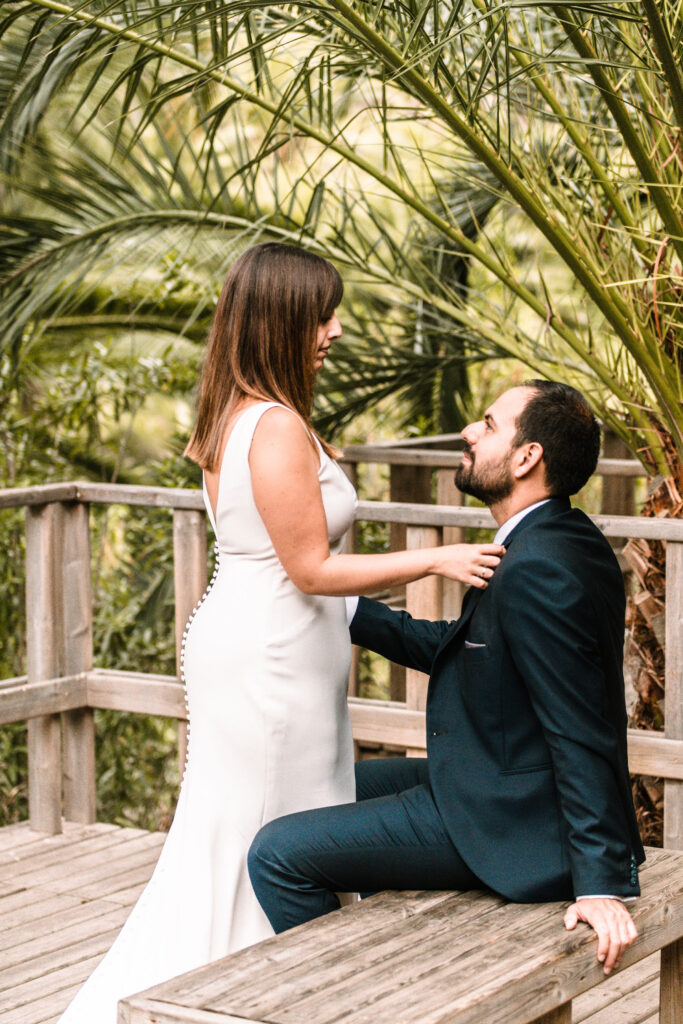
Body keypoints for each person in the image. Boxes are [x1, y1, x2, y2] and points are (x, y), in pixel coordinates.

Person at [57, 243, 503, 1023]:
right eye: (321, 315)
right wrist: (443, 557)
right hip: (267, 659)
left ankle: (274, 990)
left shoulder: (241, 414)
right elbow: (309, 569)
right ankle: (242, 992)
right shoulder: (272, 427)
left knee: (280, 816)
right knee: (266, 825)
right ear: (280, 320)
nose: (334, 330)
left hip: (270, 646)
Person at [248, 380, 645, 977]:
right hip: (488, 778)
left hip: (513, 823)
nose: (469, 432)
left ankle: (344, 999)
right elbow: (464, 648)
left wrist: (600, 882)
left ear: (526, 458)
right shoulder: (559, 537)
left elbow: (581, 726)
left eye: (488, 424)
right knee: (324, 781)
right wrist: (342, 605)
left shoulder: (537, 569)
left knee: (276, 854)